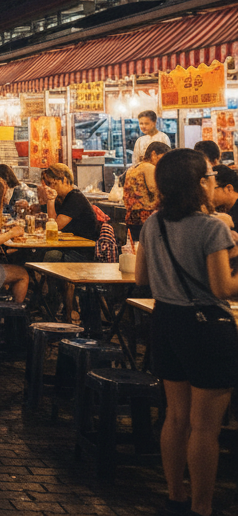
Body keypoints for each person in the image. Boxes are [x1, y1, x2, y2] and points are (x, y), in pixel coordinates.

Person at [135, 149, 238, 516]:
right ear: (199, 183)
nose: (213, 180)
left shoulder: (153, 224)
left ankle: (175, 495)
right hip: (207, 328)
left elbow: (140, 278)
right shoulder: (212, 227)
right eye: (209, 176)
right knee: (204, 428)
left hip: (165, 322)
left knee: (176, 417)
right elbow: (223, 287)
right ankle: (203, 506)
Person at [38, 163, 97, 243]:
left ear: (65, 180)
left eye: (55, 184)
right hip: (70, 244)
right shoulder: (62, 198)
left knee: (51, 255)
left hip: (83, 249)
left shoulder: (75, 198)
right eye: (49, 184)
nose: (51, 188)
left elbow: (55, 226)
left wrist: (50, 200)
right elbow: (50, 221)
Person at [124, 141, 169, 241]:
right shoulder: (150, 168)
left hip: (131, 218)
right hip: (145, 219)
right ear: (153, 154)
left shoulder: (132, 168)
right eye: (162, 158)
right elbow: (157, 190)